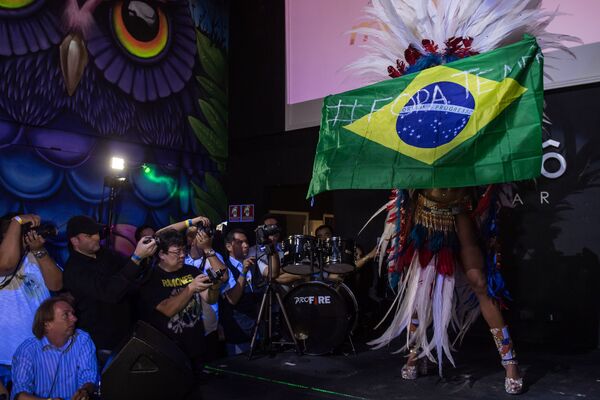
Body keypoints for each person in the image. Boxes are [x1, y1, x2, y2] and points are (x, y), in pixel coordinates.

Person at [63, 215, 156, 366]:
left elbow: (131, 272)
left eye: (97, 233)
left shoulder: (106, 254)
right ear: (75, 241)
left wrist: (146, 258)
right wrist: (136, 258)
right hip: (101, 342)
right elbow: (109, 293)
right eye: (89, 235)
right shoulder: (74, 270)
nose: (96, 237)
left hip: (127, 334)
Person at [137, 229, 218, 373]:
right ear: (162, 254)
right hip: (168, 350)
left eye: (183, 250)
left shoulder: (191, 271)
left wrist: (214, 287)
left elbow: (210, 299)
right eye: (176, 252)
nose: (182, 255)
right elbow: (167, 310)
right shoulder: (152, 277)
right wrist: (191, 288)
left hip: (196, 346)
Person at [0, 214, 62, 390]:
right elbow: (6, 265)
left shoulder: (36, 257)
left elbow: (57, 284)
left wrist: (39, 251)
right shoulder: (2, 257)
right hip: (2, 355)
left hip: (34, 354)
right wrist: (17, 221)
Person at [11, 296, 97, 400]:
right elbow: (19, 394)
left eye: (73, 314)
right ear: (47, 324)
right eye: (66, 315)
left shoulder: (82, 340)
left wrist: (85, 391)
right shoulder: (28, 350)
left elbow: (89, 378)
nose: (75, 319)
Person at [185, 223, 234, 361]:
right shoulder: (181, 258)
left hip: (209, 325)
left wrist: (207, 249)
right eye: (199, 235)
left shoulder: (212, 256)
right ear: (190, 239)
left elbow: (224, 277)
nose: (205, 237)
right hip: (186, 324)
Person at [218, 228, 265, 355]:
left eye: (247, 242)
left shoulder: (253, 265)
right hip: (238, 331)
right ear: (229, 246)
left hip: (257, 329)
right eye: (240, 242)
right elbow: (232, 299)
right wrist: (243, 272)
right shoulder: (224, 268)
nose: (246, 245)